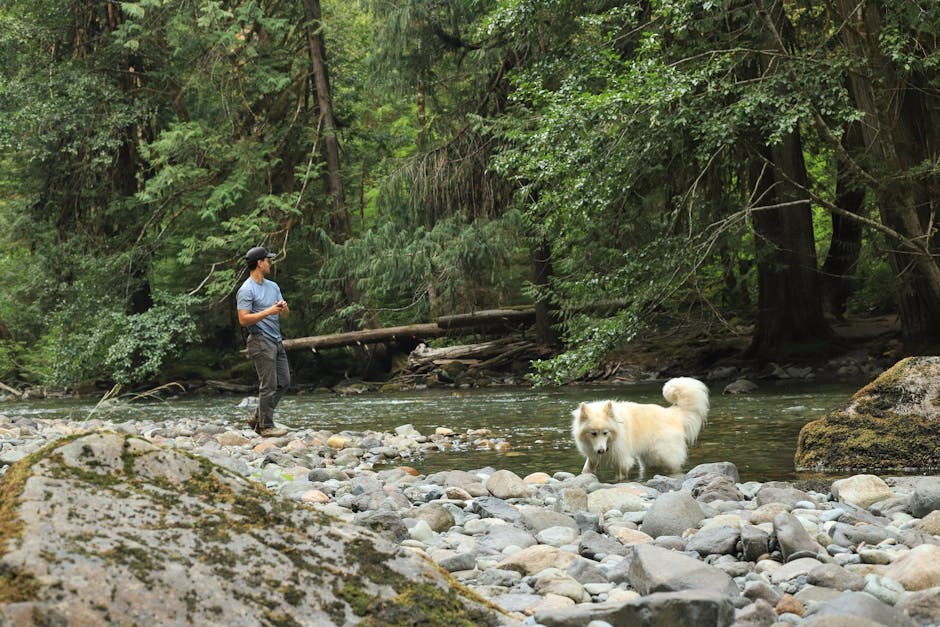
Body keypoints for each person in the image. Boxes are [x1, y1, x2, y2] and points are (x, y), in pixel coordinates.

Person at [236, 246, 291, 437]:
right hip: (260, 340)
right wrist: (269, 311)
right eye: (268, 260)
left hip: (276, 340)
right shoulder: (246, 290)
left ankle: (257, 417)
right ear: (260, 263)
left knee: (284, 382)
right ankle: (265, 426)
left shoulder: (273, 286)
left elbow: (285, 314)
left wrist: (283, 308)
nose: (270, 263)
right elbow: (243, 319)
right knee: (268, 385)